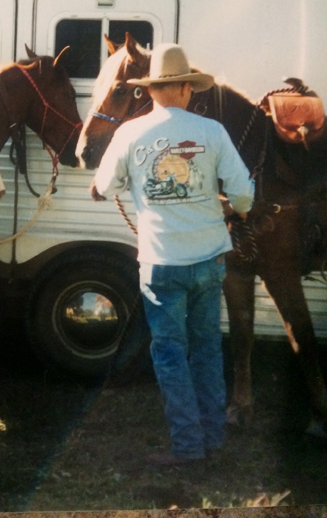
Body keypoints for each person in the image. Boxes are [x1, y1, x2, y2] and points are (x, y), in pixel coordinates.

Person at [90, 44, 255, 466]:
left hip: (161, 263)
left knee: (168, 352)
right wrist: (231, 206)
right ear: (184, 88)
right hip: (208, 261)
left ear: (151, 90)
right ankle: (212, 437)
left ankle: (187, 445)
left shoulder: (129, 133)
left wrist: (108, 185)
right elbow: (244, 194)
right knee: (206, 348)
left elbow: (104, 187)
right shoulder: (213, 131)